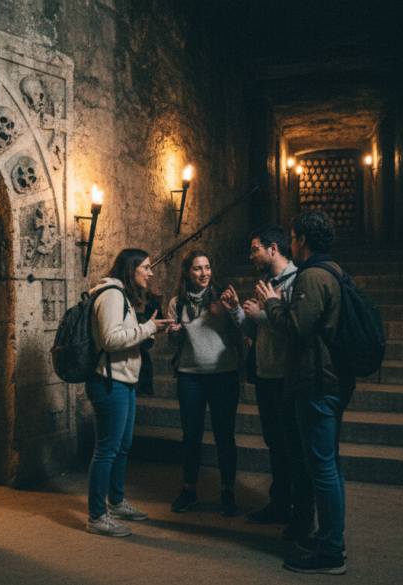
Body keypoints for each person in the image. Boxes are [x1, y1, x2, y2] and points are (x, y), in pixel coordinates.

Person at [257, 210, 355, 575]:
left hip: (317, 382)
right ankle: (331, 538)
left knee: (323, 468)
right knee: (330, 464)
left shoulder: (313, 276)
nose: (291, 242)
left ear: (303, 239)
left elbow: (297, 327)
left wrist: (272, 303)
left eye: (294, 237)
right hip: (331, 379)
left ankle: (330, 552)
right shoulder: (336, 270)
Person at [220, 226, 315, 540]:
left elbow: (293, 328)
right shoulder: (268, 284)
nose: (251, 256)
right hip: (265, 375)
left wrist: (262, 314)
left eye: (255, 249)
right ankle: (279, 504)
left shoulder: (298, 281)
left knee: (294, 449)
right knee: (276, 445)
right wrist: (236, 311)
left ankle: (300, 514)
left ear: (273, 248)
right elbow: (256, 332)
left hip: (287, 378)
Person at [85, 248, 175, 537]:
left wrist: (150, 329)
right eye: (146, 267)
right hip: (109, 383)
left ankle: (117, 502)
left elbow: (125, 334)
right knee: (106, 450)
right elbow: (111, 339)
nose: (150, 272)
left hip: (124, 380)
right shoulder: (112, 293)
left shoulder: (121, 293)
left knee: (121, 448)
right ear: (131, 267)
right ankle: (97, 516)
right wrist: (147, 327)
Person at [166, 250, 243, 516]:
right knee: (191, 436)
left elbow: (241, 331)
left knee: (224, 435)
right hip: (190, 376)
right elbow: (175, 342)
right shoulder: (177, 303)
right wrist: (174, 334)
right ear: (187, 272)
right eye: (198, 268)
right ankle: (189, 490)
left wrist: (230, 312)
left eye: (208, 267)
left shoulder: (224, 296)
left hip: (223, 375)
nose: (204, 273)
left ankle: (228, 491)